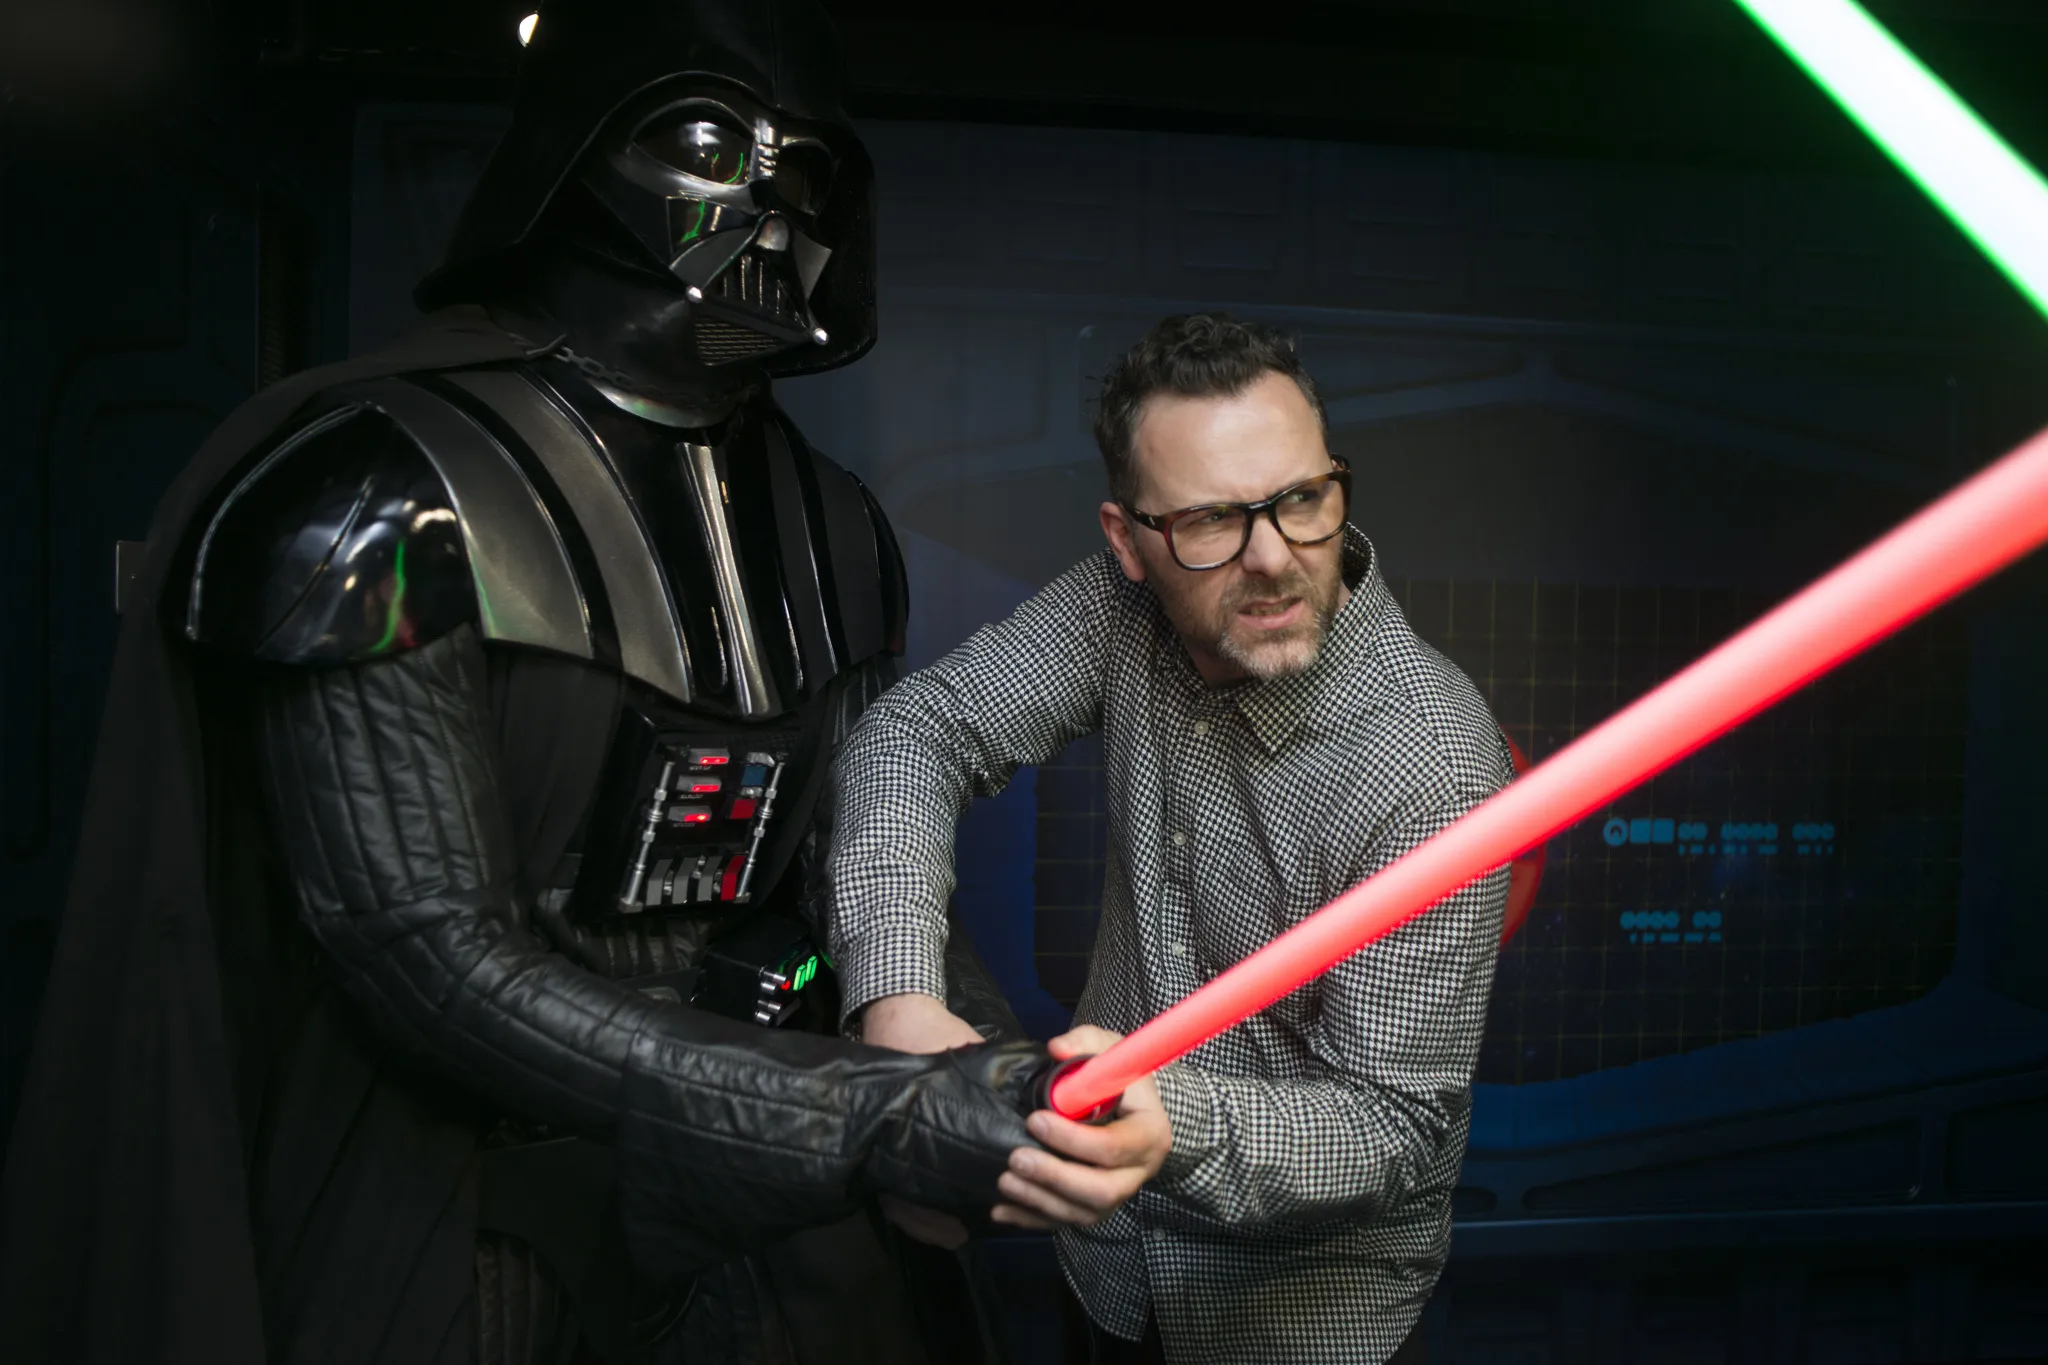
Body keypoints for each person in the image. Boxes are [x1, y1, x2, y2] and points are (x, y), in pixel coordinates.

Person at [0, 3, 1062, 1363]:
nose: (762, 205)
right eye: (707, 141)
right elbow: (430, 959)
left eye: (803, 176)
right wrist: (870, 1117)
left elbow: (849, 874)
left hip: (765, 1228)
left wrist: (974, 1062)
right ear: (581, 150)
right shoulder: (370, 488)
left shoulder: (833, 528)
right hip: (461, 1214)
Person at [826, 314, 1515, 1364]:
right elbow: (917, 732)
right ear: (1126, 540)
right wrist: (895, 992)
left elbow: (1390, 1127)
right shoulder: (1117, 607)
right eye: (1208, 521)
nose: (1271, 560)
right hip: (1105, 1270)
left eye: (1301, 499)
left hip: (1292, 1327)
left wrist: (1169, 1128)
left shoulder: (1433, 770)